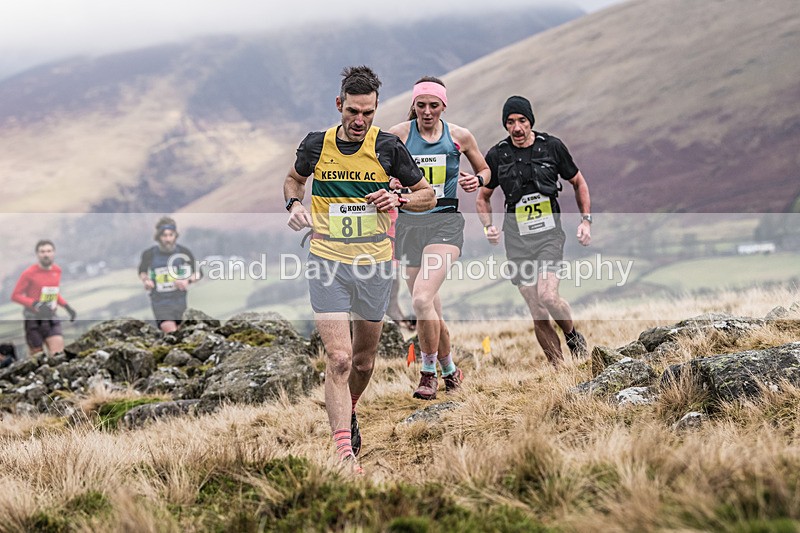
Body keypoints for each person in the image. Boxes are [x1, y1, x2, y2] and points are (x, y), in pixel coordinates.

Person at [284, 65, 435, 471]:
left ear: (376, 110)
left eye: (367, 113)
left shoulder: (388, 148)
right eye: (352, 111)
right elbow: (294, 181)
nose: (359, 120)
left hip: (373, 265)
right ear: (339, 105)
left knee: (365, 361)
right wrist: (294, 205)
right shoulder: (316, 145)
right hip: (327, 262)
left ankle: (349, 408)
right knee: (339, 358)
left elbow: (428, 195)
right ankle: (344, 454)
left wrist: (398, 200)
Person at [387, 76, 490, 400]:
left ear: (444, 106)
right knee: (430, 307)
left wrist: (477, 180)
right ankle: (451, 371)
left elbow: (486, 171)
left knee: (420, 300)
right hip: (409, 226)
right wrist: (390, 183)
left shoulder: (459, 136)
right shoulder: (398, 136)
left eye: (434, 105)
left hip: (444, 223)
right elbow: (377, 171)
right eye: (421, 105)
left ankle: (427, 372)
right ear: (414, 106)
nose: (427, 112)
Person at [477, 95, 591, 366]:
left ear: (531, 122)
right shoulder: (497, 155)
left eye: (522, 121)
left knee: (548, 296)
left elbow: (578, 181)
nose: (516, 128)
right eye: (510, 122)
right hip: (517, 241)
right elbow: (483, 197)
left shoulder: (551, 147)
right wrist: (488, 227)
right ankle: (560, 371)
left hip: (549, 236)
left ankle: (573, 335)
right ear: (505, 125)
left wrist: (586, 220)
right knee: (537, 310)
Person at [10, 240, 77, 358]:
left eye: (49, 251)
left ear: (54, 253)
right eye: (42, 251)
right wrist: (35, 304)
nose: (46, 254)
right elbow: (16, 295)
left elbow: (54, 292)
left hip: (51, 317)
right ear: (37, 254)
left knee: (58, 355)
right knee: (38, 358)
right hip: (33, 319)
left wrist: (67, 307)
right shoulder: (29, 273)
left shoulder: (57, 270)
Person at [137, 217, 200, 333]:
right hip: (160, 301)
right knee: (170, 331)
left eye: (171, 235)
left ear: (175, 236)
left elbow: (198, 273)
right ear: (158, 237)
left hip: (179, 300)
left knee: (182, 333)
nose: (168, 239)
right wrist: (146, 281)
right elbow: (142, 271)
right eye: (164, 235)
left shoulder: (183, 252)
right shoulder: (149, 254)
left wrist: (187, 280)